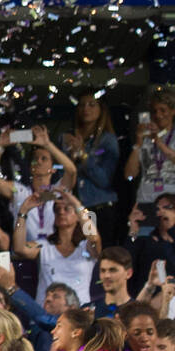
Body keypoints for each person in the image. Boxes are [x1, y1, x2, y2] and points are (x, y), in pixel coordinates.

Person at [0, 125, 78, 242]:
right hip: (24, 253)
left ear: (53, 169)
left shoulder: (58, 191)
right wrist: (0, 146)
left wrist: (47, 144)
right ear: (29, 167)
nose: (38, 161)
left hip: (54, 252)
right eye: (35, 159)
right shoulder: (19, 191)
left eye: (44, 159)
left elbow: (72, 171)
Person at [12, 188, 101, 308]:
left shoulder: (86, 247)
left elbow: (94, 239)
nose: (61, 212)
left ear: (78, 216)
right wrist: (23, 211)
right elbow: (19, 248)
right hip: (46, 314)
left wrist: (77, 205)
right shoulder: (43, 245)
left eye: (67, 209)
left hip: (79, 314)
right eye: (57, 210)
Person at [124, 86, 175, 222]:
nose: (158, 115)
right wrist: (139, 143)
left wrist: (160, 144)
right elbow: (129, 174)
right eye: (154, 111)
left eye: (163, 110)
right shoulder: (144, 139)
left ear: (173, 111)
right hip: (146, 204)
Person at [60, 89, 122, 242]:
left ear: (101, 110)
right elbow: (59, 175)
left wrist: (83, 155)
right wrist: (67, 152)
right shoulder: (67, 138)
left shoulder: (108, 140)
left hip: (98, 207)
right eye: (81, 105)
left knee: (97, 253)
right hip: (73, 208)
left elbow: (104, 180)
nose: (86, 109)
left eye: (92, 105)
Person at [127, 193, 175, 295]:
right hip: (152, 296)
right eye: (157, 208)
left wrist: (172, 229)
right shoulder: (145, 242)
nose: (161, 211)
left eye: (167, 207)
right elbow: (127, 262)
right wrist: (133, 230)